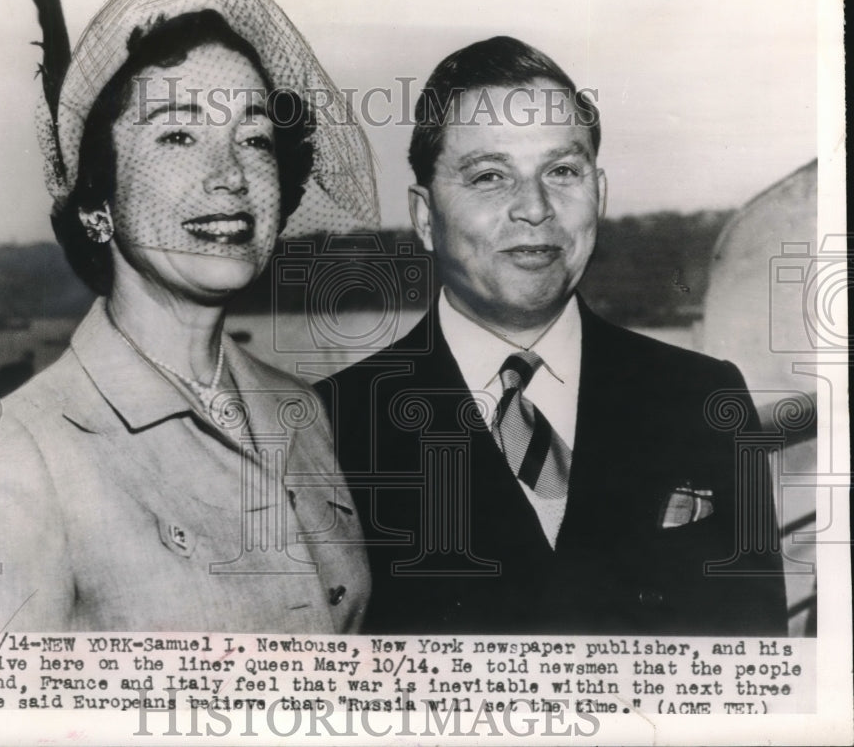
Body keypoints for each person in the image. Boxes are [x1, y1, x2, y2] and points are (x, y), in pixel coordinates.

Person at [0, 0, 378, 632]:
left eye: (254, 137)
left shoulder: (301, 412)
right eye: (178, 135)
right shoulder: (22, 450)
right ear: (98, 203)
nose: (231, 176)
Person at [319, 36, 788, 635]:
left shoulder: (703, 395)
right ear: (423, 217)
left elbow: (759, 660)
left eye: (562, 171)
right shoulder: (332, 426)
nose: (535, 207)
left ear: (600, 195)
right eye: (490, 176)